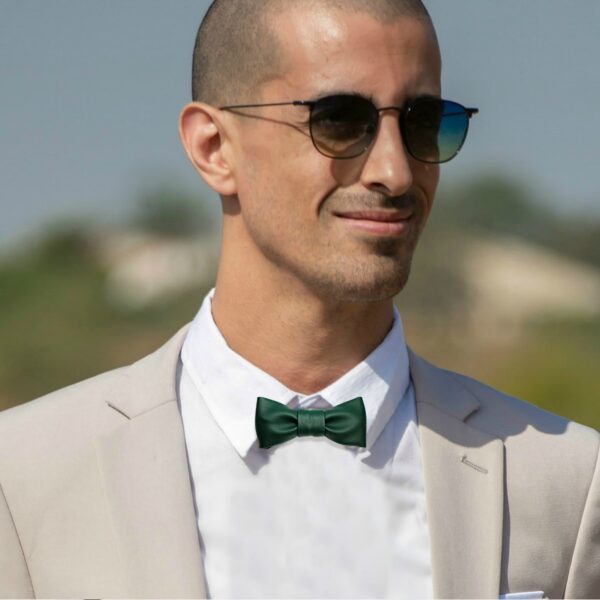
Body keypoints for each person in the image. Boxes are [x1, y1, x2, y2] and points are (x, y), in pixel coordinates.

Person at [1, 0, 598, 598]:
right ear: (214, 147)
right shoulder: (24, 479)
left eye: (421, 122)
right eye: (339, 120)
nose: (394, 170)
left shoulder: (567, 481)